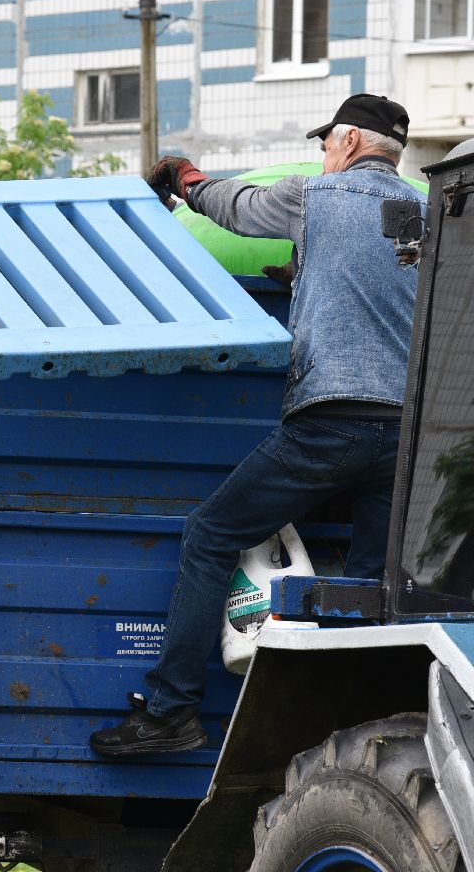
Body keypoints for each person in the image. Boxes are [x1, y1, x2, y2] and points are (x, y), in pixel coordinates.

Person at [89, 93, 426, 756]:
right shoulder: (430, 214)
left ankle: (170, 712)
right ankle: (356, 733)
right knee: (365, 587)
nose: (324, 155)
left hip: (332, 423)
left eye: (327, 143)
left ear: (350, 143)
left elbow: (235, 206)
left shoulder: (318, 196)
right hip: (407, 438)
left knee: (211, 533)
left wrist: (184, 176)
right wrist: (306, 280)